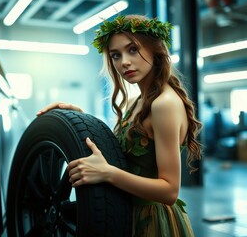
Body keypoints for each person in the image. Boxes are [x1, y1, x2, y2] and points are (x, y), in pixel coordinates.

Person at [37, 14, 202, 236]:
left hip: (152, 223)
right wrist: (79, 120)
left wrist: (108, 174)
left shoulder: (164, 104)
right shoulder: (138, 101)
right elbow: (121, 152)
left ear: (156, 50)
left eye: (132, 49)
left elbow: (169, 190)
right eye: (116, 55)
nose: (123, 62)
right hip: (126, 216)